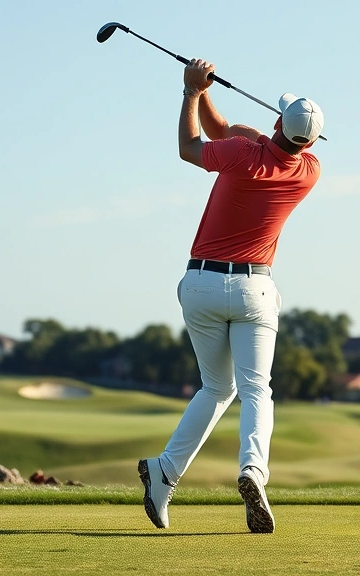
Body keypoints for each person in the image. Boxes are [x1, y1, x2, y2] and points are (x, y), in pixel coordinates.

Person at [138, 58, 324, 534]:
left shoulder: (243, 153)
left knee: (217, 388)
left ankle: (164, 472)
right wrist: (206, 91)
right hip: (255, 290)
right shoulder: (308, 171)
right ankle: (252, 472)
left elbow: (190, 146)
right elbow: (223, 128)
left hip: (201, 284)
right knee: (255, 388)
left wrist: (189, 91)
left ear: (277, 122)